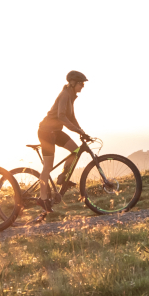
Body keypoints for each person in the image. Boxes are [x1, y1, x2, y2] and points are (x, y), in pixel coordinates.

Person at [37, 70, 92, 200]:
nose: (83, 86)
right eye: (81, 83)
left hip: (55, 132)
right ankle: (42, 198)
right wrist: (77, 130)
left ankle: (63, 177)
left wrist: (81, 131)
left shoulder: (71, 96)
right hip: (46, 132)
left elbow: (71, 117)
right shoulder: (65, 95)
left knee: (76, 151)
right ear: (73, 83)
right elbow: (61, 116)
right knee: (48, 167)